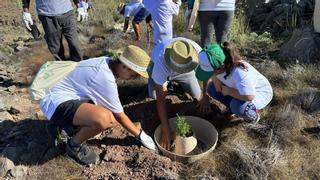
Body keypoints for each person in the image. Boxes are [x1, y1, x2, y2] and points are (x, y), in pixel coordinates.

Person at [40, 45, 157, 165]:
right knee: (105, 119)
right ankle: (74, 146)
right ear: (125, 66)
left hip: (65, 97)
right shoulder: (104, 76)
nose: (133, 79)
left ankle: (62, 128)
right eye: (133, 75)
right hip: (55, 102)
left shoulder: (107, 61)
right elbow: (119, 116)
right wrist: (140, 135)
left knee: (109, 117)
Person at [196, 42, 273, 123]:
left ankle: (253, 116)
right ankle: (232, 109)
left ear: (221, 67)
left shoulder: (239, 73)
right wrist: (205, 95)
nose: (210, 75)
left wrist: (229, 91)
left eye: (211, 72)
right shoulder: (220, 67)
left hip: (258, 93)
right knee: (211, 88)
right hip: (239, 90)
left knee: (236, 106)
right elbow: (218, 89)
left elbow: (250, 96)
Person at [148, 37, 202, 150]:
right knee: (153, 96)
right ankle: (165, 83)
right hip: (159, 67)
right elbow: (161, 100)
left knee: (197, 95)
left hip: (186, 71)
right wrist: (165, 128)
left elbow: (207, 76)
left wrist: (206, 95)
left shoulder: (198, 54)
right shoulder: (160, 61)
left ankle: (177, 87)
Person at [21, 0, 88, 61]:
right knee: (56, 48)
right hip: (47, 16)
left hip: (67, 13)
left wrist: (79, 6)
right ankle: (61, 69)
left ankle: (78, 66)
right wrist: (26, 12)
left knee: (75, 44)